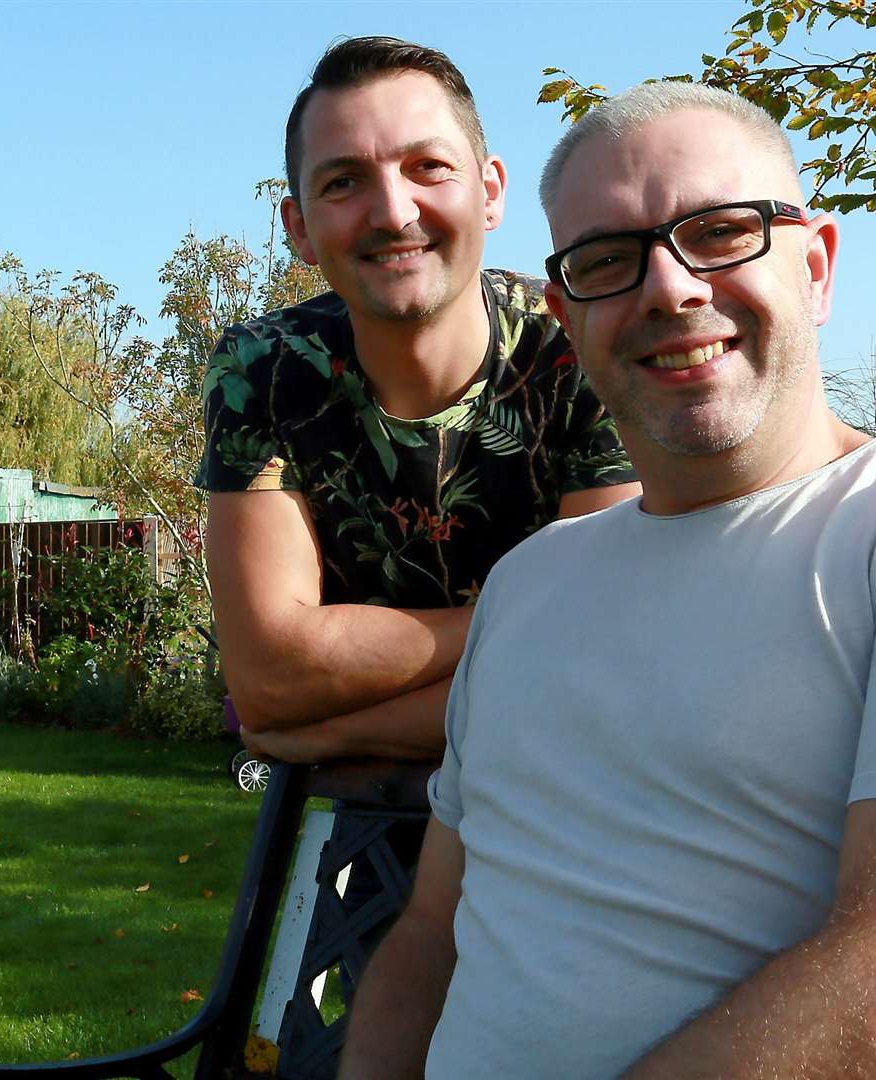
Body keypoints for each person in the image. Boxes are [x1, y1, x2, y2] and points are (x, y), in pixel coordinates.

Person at [340, 82, 876, 1079]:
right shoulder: (529, 584)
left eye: (720, 232)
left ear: (813, 266)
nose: (669, 288)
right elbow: (431, 934)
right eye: (606, 259)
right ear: (566, 316)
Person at [196, 37, 638, 765]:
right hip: (358, 818)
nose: (393, 212)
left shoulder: (578, 342)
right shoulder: (264, 368)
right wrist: (537, 618)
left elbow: (604, 664)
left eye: (427, 167)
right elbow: (269, 680)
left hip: (579, 803)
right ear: (298, 229)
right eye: (343, 183)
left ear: (491, 191)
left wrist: (338, 729)